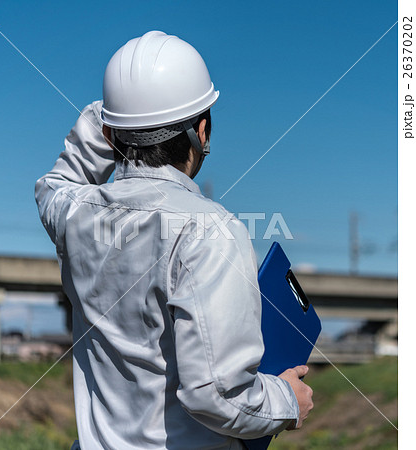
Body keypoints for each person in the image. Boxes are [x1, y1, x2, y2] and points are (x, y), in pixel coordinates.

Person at [35, 31, 313, 450]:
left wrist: (113, 111)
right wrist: (287, 400)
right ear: (202, 131)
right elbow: (215, 396)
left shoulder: (75, 213)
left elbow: (54, 184)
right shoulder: (211, 231)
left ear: (111, 136)